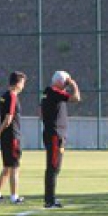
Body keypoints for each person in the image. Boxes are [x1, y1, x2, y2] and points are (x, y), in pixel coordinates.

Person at [40, 70, 81, 208]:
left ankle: (50, 198)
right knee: (53, 166)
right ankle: (49, 200)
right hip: (55, 134)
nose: (66, 85)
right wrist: (73, 84)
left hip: (55, 133)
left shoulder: (48, 92)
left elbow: (40, 112)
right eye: (65, 82)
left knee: (55, 167)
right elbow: (76, 98)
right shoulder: (53, 92)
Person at [0, 71, 26, 204]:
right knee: (15, 167)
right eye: (23, 83)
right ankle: (14, 197)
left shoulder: (4, 96)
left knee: (7, 167)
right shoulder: (12, 96)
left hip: (6, 136)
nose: (23, 86)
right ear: (17, 83)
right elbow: (9, 117)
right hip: (12, 136)